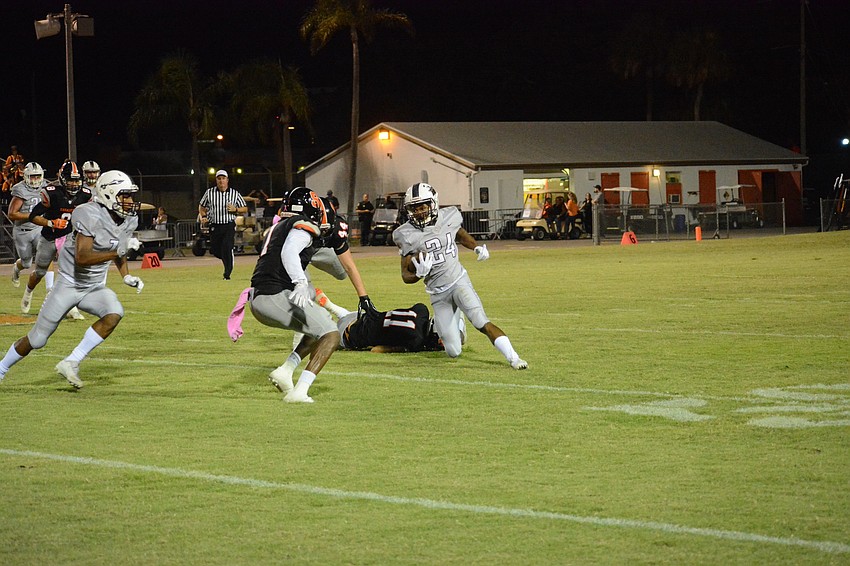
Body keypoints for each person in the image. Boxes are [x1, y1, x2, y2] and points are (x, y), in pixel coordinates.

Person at [229, 186, 379, 403]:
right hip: (274, 296)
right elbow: (289, 251)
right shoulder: (301, 225)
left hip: (260, 298)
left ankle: (286, 369)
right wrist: (300, 282)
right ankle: (300, 391)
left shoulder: (279, 226)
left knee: (318, 326)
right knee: (331, 334)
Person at [0, 170, 144, 388]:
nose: (130, 201)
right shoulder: (88, 214)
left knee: (114, 314)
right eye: (125, 196)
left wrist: (126, 276)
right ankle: (1, 368)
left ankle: (72, 361)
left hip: (94, 287)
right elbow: (83, 257)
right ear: (109, 194)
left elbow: (118, 248)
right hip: (69, 284)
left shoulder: (127, 219)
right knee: (37, 340)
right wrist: (118, 252)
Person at [394, 182, 527, 369]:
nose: (418, 212)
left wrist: (477, 247)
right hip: (437, 293)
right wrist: (418, 274)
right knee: (453, 351)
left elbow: (462, 235)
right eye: (414, 209)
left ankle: (514, 358)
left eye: (422, 207)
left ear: (433, 204)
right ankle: (459, 322)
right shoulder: (405, 234)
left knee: (481, 321)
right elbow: (405, 275)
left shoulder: (449, 216)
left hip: (458, 281)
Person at [22, 161, 93, 320]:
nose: (74, 184)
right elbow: (33, 216)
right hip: (48, 237)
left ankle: (72, 308)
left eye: (77, 180)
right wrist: (51, 223)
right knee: (40, 272)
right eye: (71, 180)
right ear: (62, 179)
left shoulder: (85, 195)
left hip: (67, 237)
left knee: (69, 272)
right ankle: (28, 292)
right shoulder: (52, 193)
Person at [8, 162, 48, 302]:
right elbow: (12, 214)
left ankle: (50, 289)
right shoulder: (20, 190)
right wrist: (32, 216)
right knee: (26, 263)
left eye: (38, 176)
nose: (35, 180)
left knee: (46, 255)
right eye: (32, 177)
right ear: (26, 177)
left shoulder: (46, 186)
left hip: (39, 229)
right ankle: (16, 270)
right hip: (23, 230)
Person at [198, 169, 247, 280]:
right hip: (215, 225)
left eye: (223, 178)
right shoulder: (210, 193)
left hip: (228, 225)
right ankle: (228, 257)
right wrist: (204, 216)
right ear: (216, 180)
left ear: (227, 180)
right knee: (215, 250)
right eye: (219, 179)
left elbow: (244, 208)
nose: (221, 181)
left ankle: (227, 273)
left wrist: (235, 209)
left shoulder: (234, 193)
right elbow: (201, 206)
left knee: (227, 247)